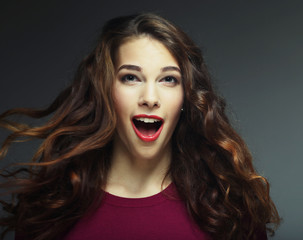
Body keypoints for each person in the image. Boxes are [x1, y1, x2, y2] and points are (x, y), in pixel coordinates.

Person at [0, 13, 280, 240]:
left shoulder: (229, 206)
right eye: (131, 77)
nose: (149, 98)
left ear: (186, 96)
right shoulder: (50, 207)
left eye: (168, 79)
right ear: (105, 90)